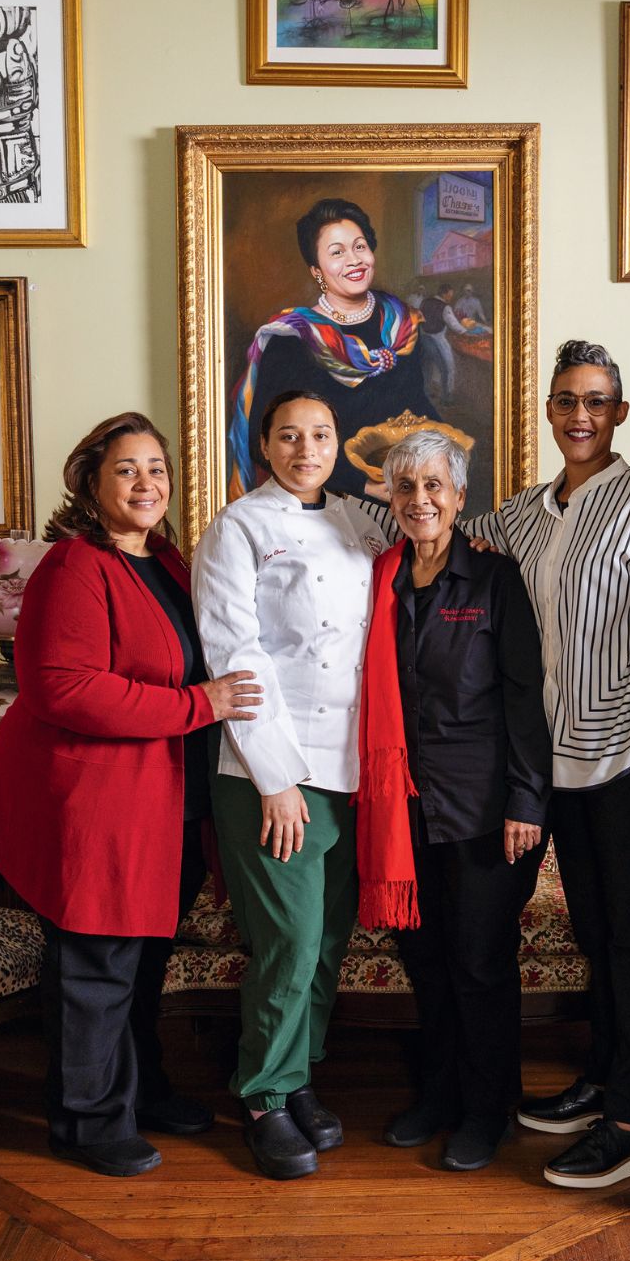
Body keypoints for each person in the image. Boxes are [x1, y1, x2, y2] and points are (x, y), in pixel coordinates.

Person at [0, 414, 264, 1177]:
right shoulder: (75, 566)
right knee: (97, 965)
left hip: (171, 801)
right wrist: (202, 705)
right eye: (128, 470)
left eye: (157, 469)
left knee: (143, 964)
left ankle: (138, 1092)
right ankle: (86, 1119)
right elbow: (65, 689)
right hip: (101, 801)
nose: (147, 484)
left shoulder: (164, 559)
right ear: (92, 486)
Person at [463, 340, 630, 1191]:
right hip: (556, 764)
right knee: (597, 936)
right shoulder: (524, 513)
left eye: (596, 401)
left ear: (620, 413)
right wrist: (340, 513)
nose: (579, 415)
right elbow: (442, 524)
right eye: (566, 400)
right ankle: (605, 1079)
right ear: (550, 411)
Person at [194, 390, 399, 1179]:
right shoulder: (239, 527)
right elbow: (236, 657)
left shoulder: (357, 518)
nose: (305, 448)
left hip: (352, 764)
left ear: (336, 442)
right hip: (272, 768)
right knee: (289, 938)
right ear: (265, 446)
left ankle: (299, 1073)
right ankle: (264, 1095)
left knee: (328, 940)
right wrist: (275, 778)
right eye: (289, 436)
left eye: (319, 435)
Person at [376, 430, 552, 1173]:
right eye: (407, 487)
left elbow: (523, 694)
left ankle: (488, 1110)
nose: (421, 500)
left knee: (480, 960)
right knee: (427, 957)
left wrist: (527, 799)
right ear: (391, 497)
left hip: (485, 807)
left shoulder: (492, 580)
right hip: (400, 806)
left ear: (458, 496)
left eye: (434, 486)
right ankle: (440, 1094)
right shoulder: (379, 580)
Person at [228, 197, 440, 503]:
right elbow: (260, 443)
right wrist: (362, 485)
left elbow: (416, 406)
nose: (353, 260)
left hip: (406, 494)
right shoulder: (290, 341)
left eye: (359, 246)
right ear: (316, 269)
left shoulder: (401, 325)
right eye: (337, 252)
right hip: (327, 503)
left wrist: (442, 453)